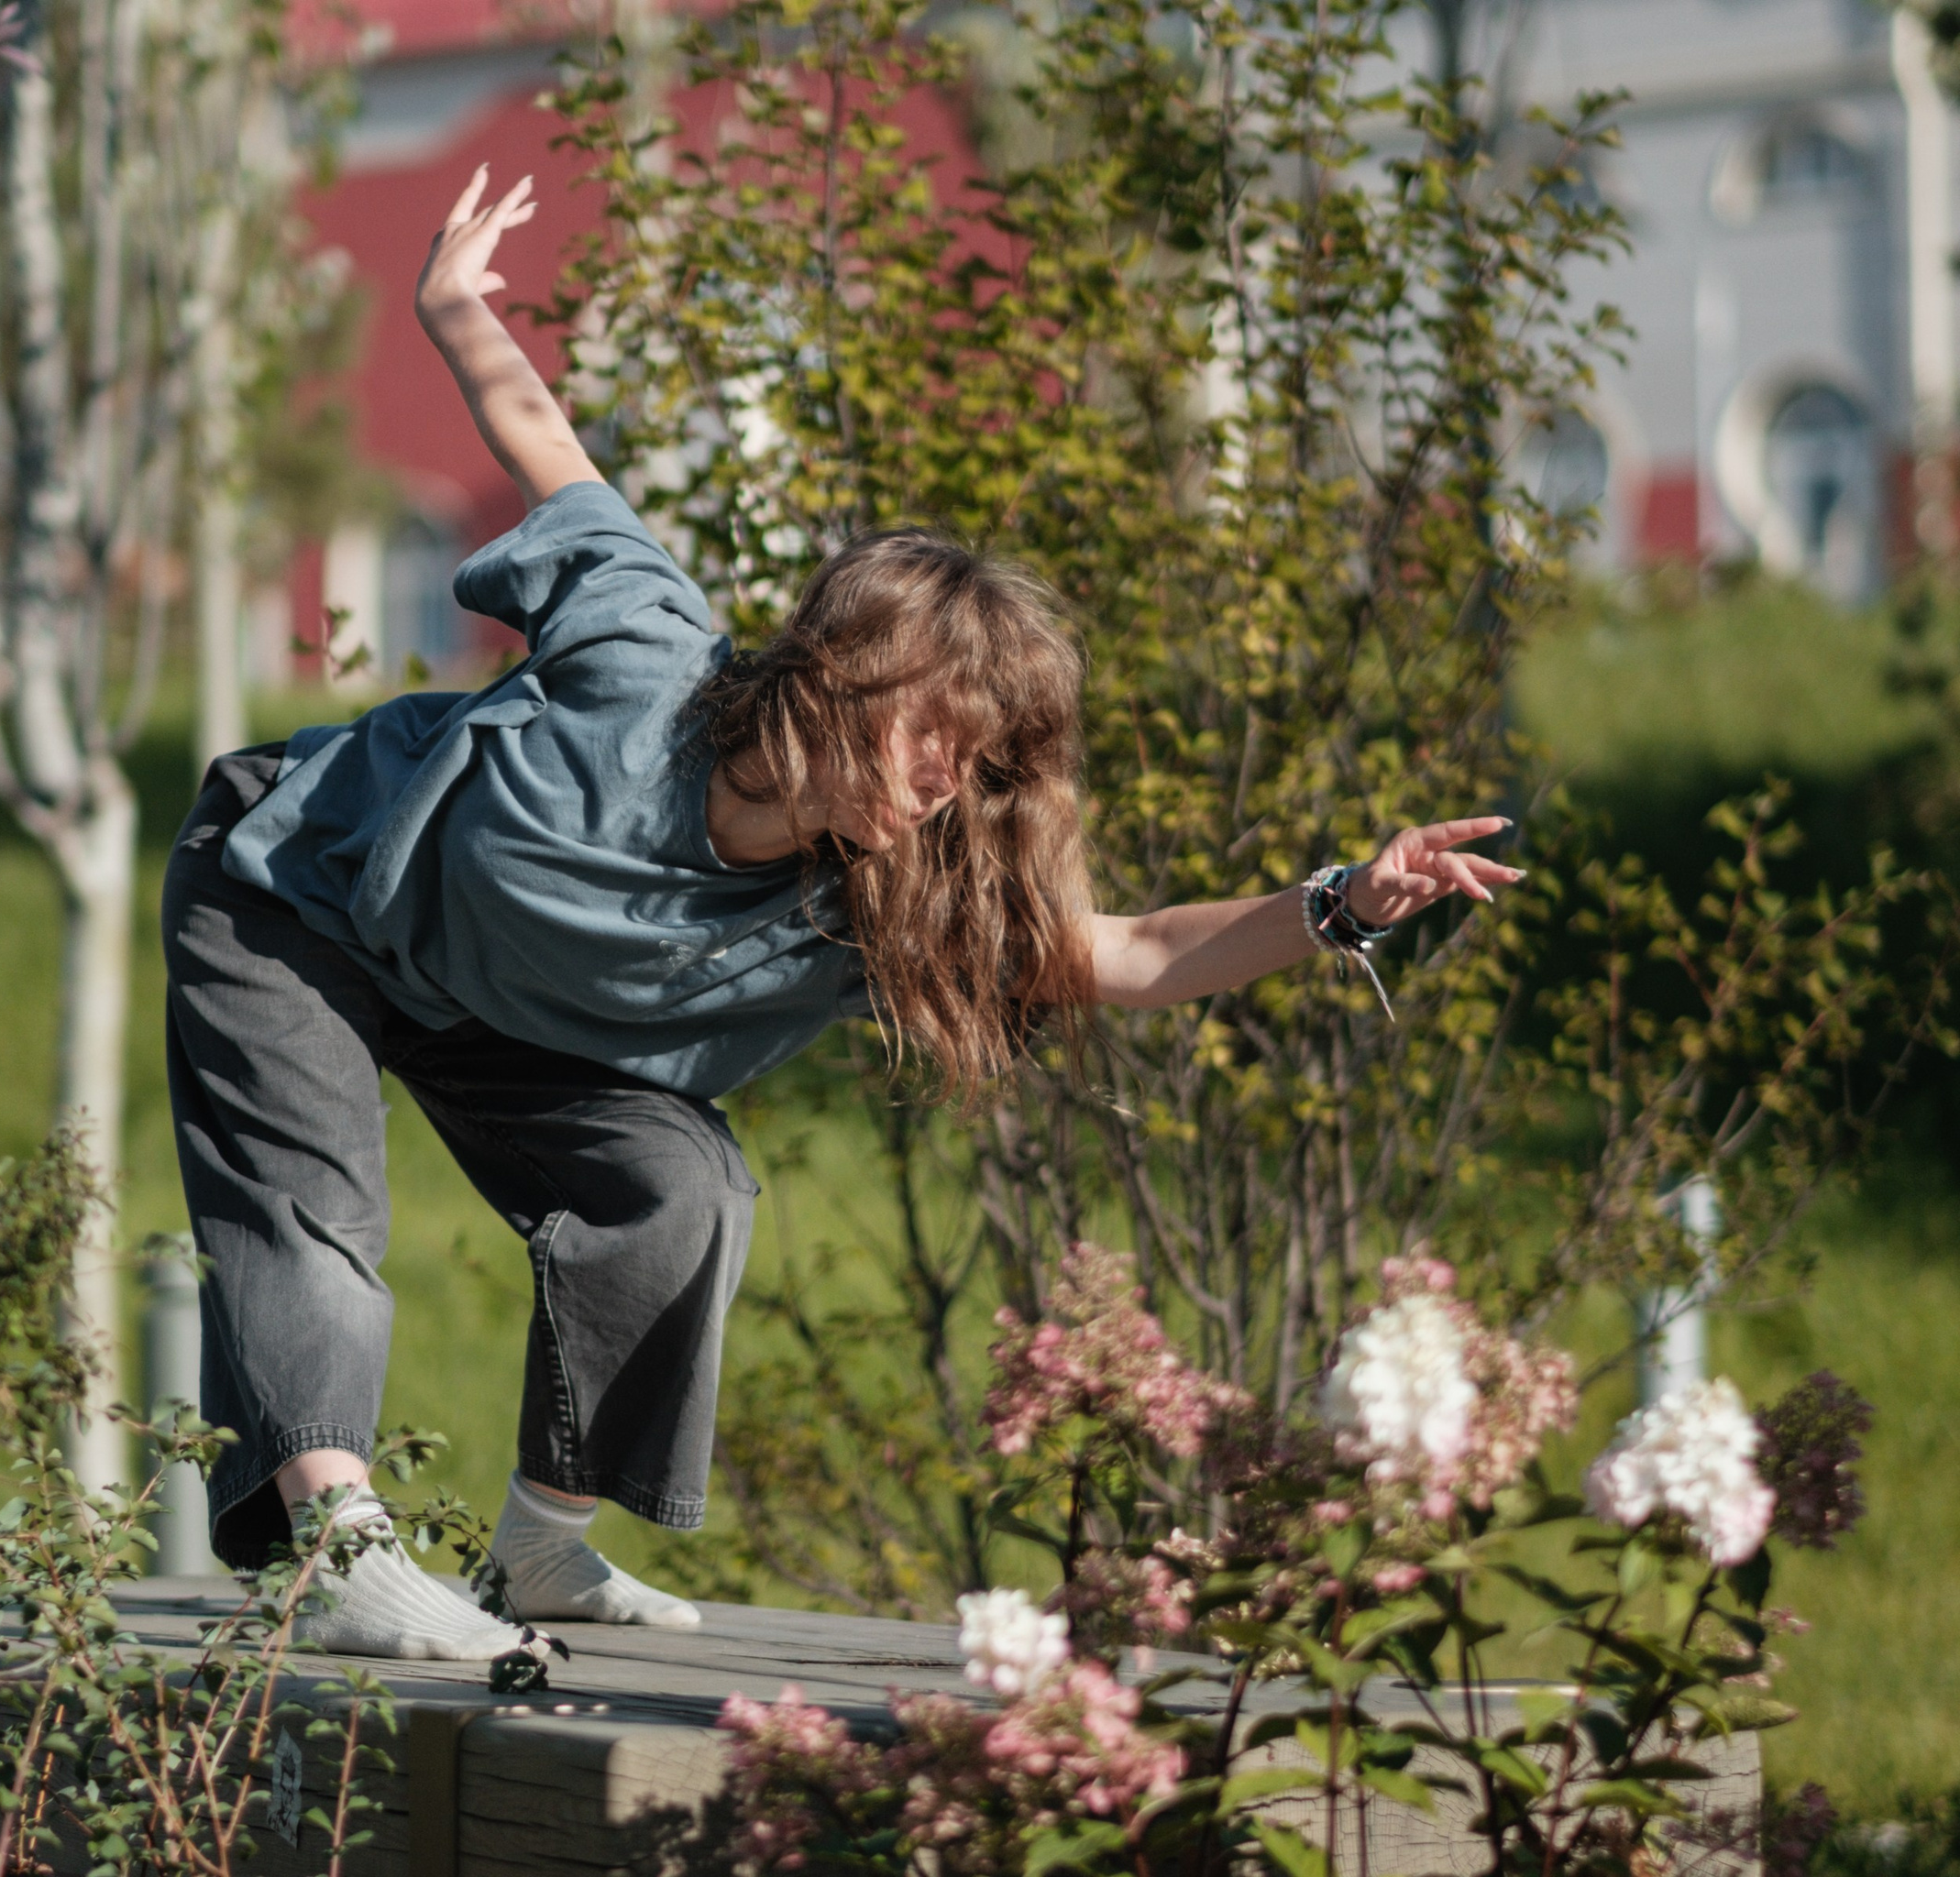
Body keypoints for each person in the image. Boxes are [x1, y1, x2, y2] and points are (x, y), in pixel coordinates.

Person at [160, 168, 1525, 1661]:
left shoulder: (875, 904)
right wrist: (449, 309)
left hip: (485, 1001)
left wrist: (1337, 901)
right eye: (933, 736)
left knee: (682, 1187)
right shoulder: (644, 645)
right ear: (839, 673)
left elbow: (1125, 953)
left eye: (981, 764)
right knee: (314, 1211)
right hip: (294, 888)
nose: (947, 787)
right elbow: (545, 444)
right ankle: (340, 1546)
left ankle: (542, 1549)